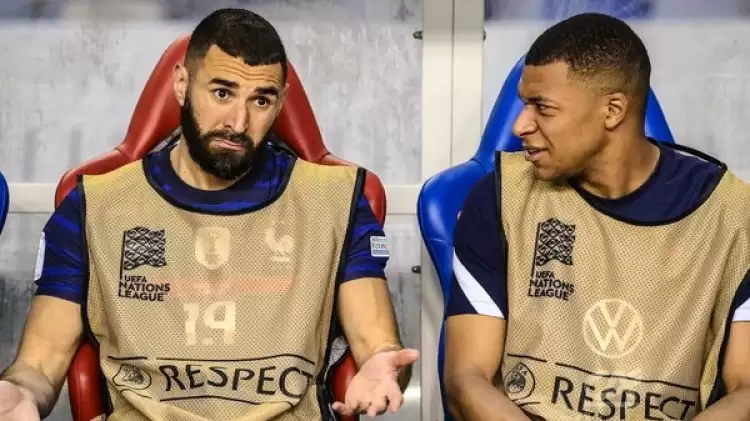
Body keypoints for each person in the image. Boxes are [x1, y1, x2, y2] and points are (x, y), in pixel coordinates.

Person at [0, 8, 418, 421]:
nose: (238, 122)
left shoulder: (335, 202)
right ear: (182, 85)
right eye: (222, 93)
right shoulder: (95, 208)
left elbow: (377, 344)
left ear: (280, 103)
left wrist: (385, 368)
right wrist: (19, 392)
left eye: (261, 100)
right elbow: (39, 364)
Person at [443, 13, 750, 421]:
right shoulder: (500, 198)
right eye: (524, 104)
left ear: (612, 110)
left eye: (542, 108)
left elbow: (746, 389)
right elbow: (466, 378)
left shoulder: (731, 215)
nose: (520, 125)